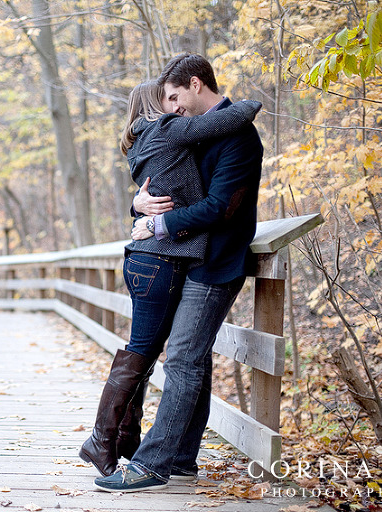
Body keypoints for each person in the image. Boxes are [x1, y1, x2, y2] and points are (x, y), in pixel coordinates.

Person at [93, 53, 264, 492]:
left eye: (173, 97)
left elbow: (221, 207)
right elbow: (163, 182)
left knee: (184, 359)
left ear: (195, 84)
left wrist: (158, 224)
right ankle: (184, 457)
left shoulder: (237, 135)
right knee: (195, 361)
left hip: (216, 263)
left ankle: (153, 465)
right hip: (185, 259)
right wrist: (138, 205)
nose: (171, 107)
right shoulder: (192, 130)